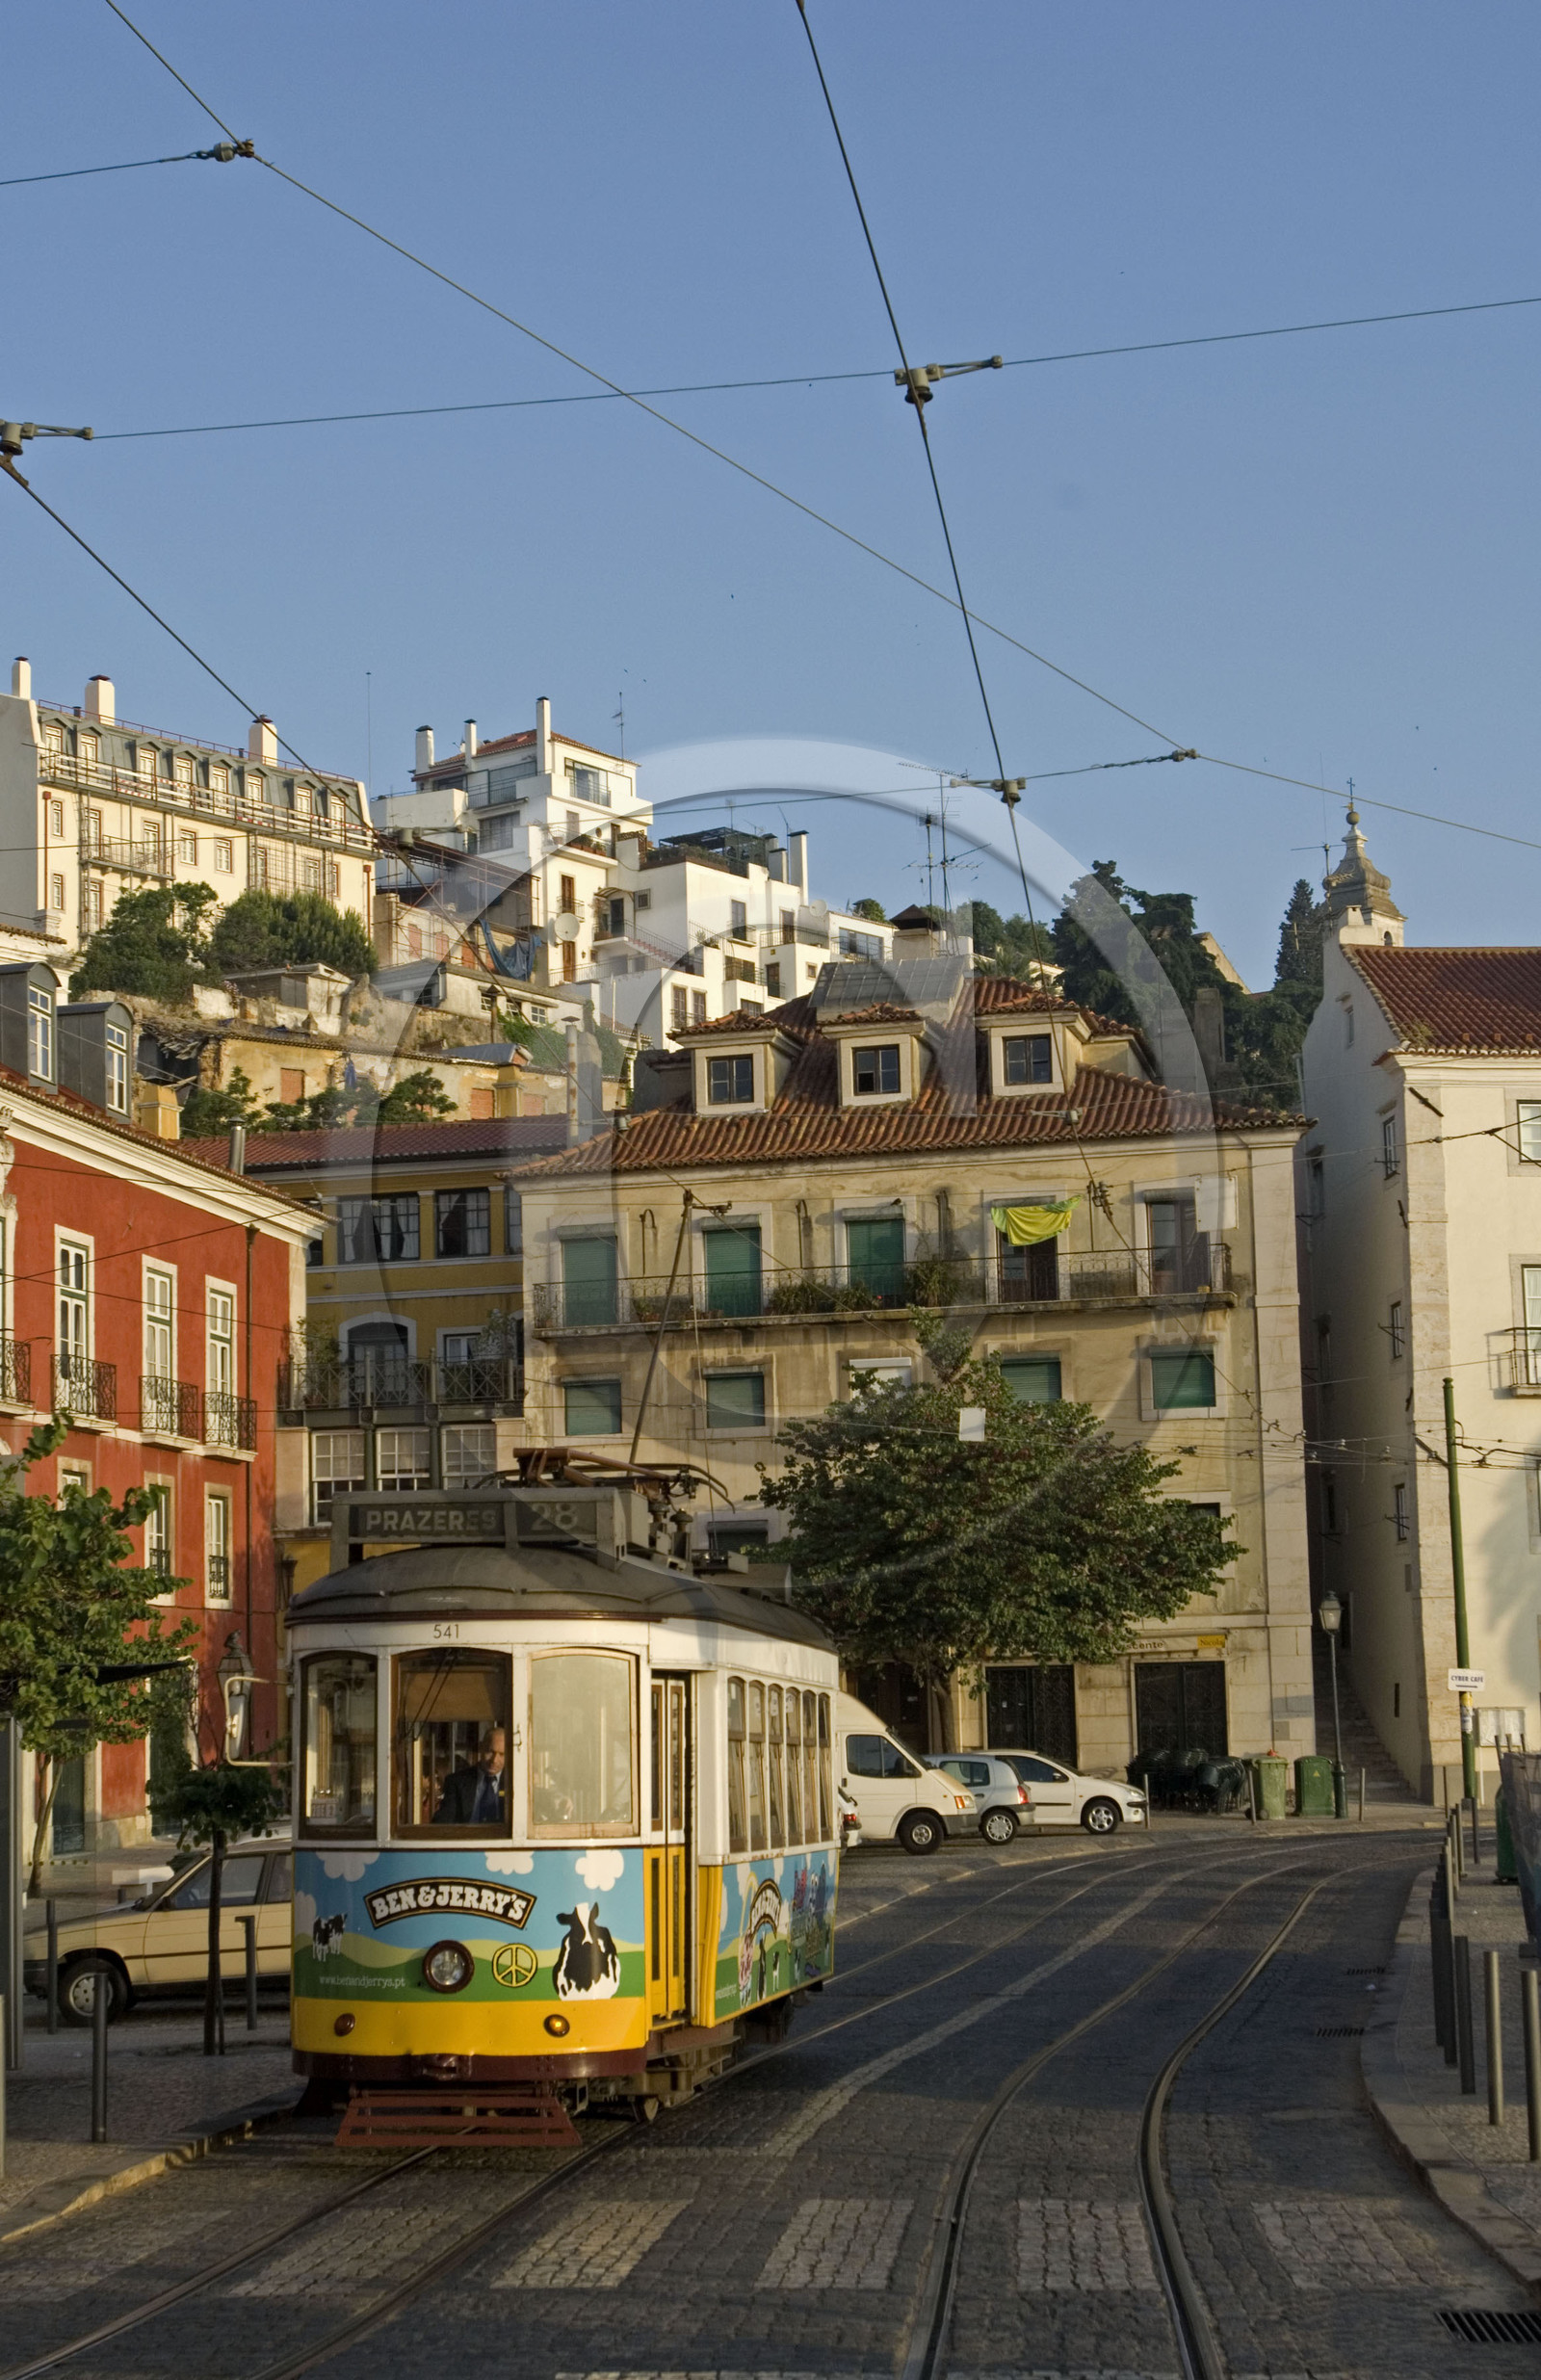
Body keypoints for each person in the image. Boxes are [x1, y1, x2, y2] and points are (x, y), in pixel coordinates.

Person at [432, 1727, 507, 1824]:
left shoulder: (514, 1783)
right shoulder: (457, 1782)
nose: (494, 1760)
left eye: (501, 1754)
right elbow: (444, 1821)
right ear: (481, 1748)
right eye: (490, 1752)